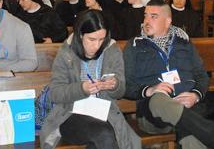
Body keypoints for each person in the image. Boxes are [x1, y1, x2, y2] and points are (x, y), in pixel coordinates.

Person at [123, 0, 214, 149]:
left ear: (167, 21)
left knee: (191, 138)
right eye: (146, 15)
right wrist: (150, 90)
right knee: (159, 99)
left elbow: (202, 76)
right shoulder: (134, 46)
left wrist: (195, 95)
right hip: (153, 114)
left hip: (187, 109)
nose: (146, 21)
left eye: (153, 16)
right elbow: (126, 85)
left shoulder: (184, 43)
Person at [40, 10, 141, 149]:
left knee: (104, 137)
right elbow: (56, 93)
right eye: (92, 39)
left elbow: (120, 91)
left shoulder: (112, 50)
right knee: (105, 134)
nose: (97, 45)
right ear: (80, 35)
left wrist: (114, 85)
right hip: (70, 114)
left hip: (105, 112)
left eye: (101, 39)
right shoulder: (66, 52)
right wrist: (82, 88)